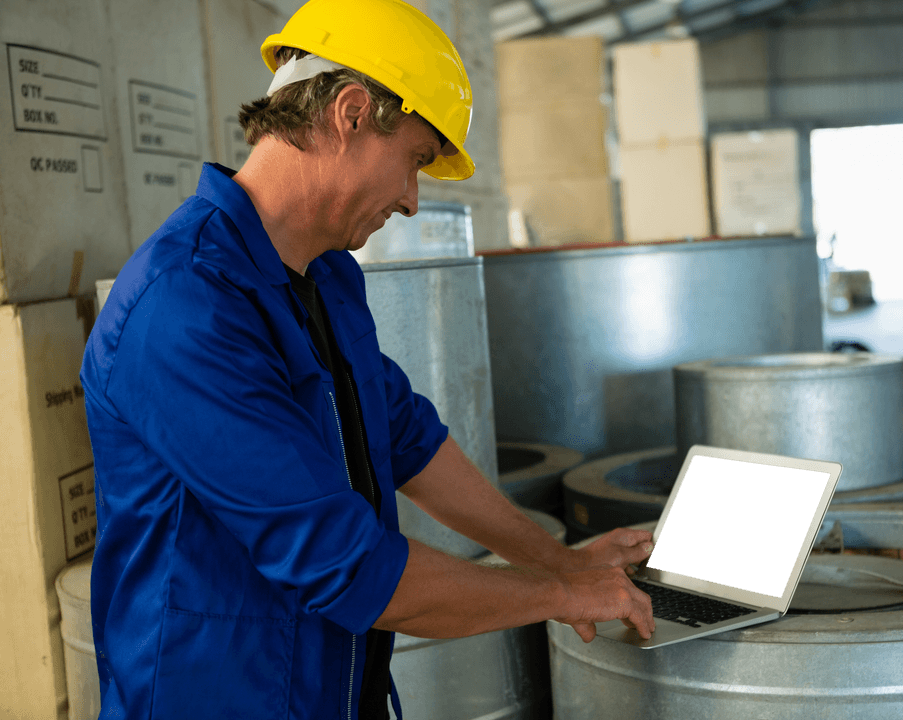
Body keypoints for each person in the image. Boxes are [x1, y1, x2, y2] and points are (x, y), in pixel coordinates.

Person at [80, 0, 654, 717]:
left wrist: (558, 557)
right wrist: (561, 594)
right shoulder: (186, 307)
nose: (413, 200)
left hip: (329, 688)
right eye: (414, 161)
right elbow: (349, 568)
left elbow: (406, 436)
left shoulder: (325, 277)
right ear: (350, 113)